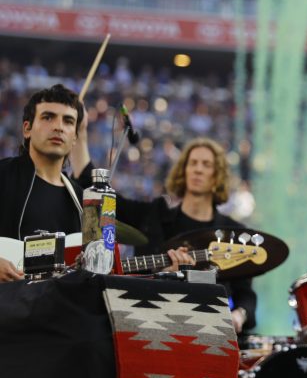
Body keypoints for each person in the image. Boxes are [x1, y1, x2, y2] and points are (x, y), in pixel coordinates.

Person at [72, 133, 255, 334]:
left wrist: (239, 315)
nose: (198, 169)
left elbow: (245, 293)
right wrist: (80, 136)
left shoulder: (232, 232)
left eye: (206, 164)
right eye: (192, 163)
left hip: (208, 332)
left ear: (217, 176)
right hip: (146, 325)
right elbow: (97, 193)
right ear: (183, 171)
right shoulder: (154, 216)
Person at [0, 84, 85, 282]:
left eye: (68, 121)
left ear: (74, 139)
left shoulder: (83, 201)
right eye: (48, 117)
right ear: (27, 129)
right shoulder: (3, 175)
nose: (58, 127)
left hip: (55, 308)